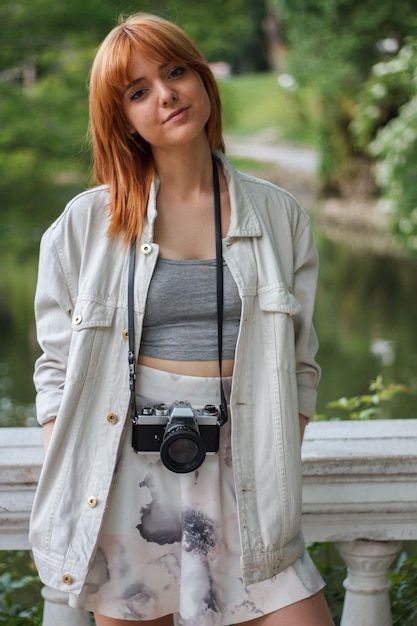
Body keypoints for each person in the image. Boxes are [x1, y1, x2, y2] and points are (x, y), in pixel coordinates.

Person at [30, 12, 334, 626]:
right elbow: (56, 369)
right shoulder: (85, 226)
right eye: (139, 91)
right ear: (122, 119)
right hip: (129, 482)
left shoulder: (279, 216)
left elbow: (301, 363)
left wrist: (271, 457)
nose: (165, 95)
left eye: (175, 72)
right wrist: (85, 471)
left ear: (202, 78)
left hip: (247, 472)